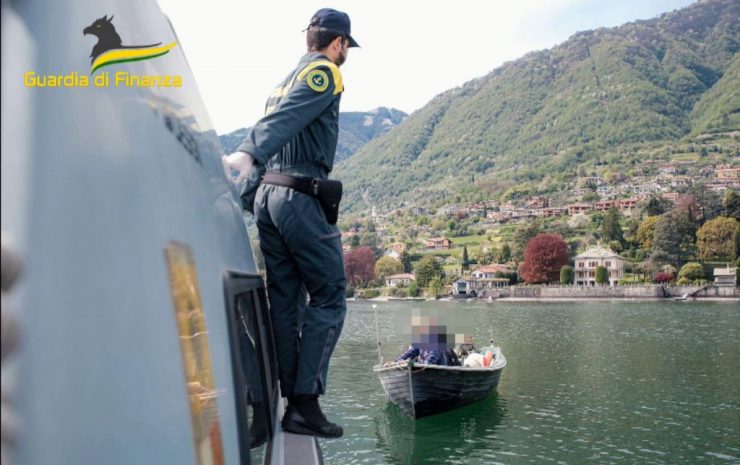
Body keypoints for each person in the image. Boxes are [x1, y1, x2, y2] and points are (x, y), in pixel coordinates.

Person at [222, 8, 359, 439]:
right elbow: (283, 124)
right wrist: (247, 152)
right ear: (337, 43)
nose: (345, 54)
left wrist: (249, 197)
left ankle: (282, 398)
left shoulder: (280, 83)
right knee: (330, 295)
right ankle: (305, 404)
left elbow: (277, 120)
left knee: (284, 302)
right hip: (299, 198)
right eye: (346, 48)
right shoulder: (325, 73)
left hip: (268, 198)